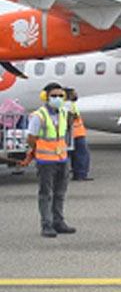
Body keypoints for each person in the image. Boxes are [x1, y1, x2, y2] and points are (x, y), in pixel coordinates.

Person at [20, 82, 76, 237]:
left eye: (60, 96)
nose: (57, 98)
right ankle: (47, 225)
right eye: (54, 96)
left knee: (60, 193)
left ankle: (59, 222)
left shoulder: (64, 113)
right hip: (45, 161)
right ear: (45, 97)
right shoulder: (39, 116)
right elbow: (31, 138)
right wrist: (38, 150)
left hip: (62, 159)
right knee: (46, 194)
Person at [65, 87, 93, 180]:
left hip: (73, 133)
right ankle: (80, 174)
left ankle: (77, 173)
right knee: (82, 155)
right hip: (76, 133)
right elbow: (71, 118)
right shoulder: (69, 104)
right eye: (74, 94)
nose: (76, 95)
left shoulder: (67, 104)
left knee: (72, 154)